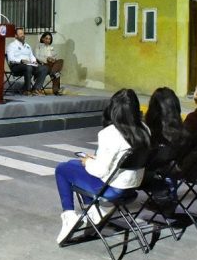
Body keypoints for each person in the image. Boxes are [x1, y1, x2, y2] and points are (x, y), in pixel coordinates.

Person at [54, 89, 151, 243]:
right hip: (131, 187)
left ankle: (69, 215)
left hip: (112, 189)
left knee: (62, 169)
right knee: (73, 164)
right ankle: (93, 210)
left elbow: (100, 170)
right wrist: (94, 160)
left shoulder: (110, 133)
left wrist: (88, 162)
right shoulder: (145, 130)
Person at [6, 27, 49, 95]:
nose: (23, 35)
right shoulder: (12, 45)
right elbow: (11, 58)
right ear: (16, 36)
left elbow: (31, 56)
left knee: (44, 68)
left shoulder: (27, 46)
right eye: (20, 34)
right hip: (16, 66)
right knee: (28, 67)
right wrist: (21, 60)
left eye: (23, 33)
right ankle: (26, 89)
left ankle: (36, 89)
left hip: (29, 65)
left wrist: (34, 61)